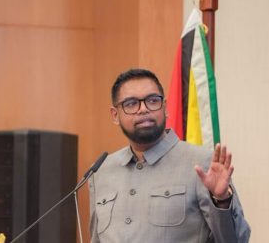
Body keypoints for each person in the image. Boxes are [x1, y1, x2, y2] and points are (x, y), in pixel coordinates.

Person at [89, 68, 251, 242]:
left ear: (165, 107)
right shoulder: (101, 171)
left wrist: (221, 200)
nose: (143, 109)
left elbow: (237, 240)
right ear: (115, 115)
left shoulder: (202, 163)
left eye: (152, 101)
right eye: (131, 104)